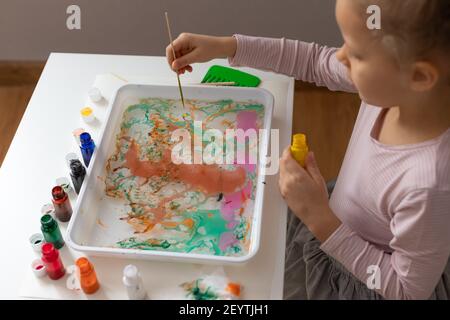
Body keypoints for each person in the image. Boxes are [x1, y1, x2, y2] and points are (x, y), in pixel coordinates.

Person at [165, 0, 450, 300]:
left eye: (356, 53)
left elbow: (405, 291)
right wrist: (227, 47)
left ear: (419, 76)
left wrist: (319, 218)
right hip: (339, 217)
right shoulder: (398, 88)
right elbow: (315, 61)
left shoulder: (428, 185)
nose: (340, 56)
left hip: (359, 281)